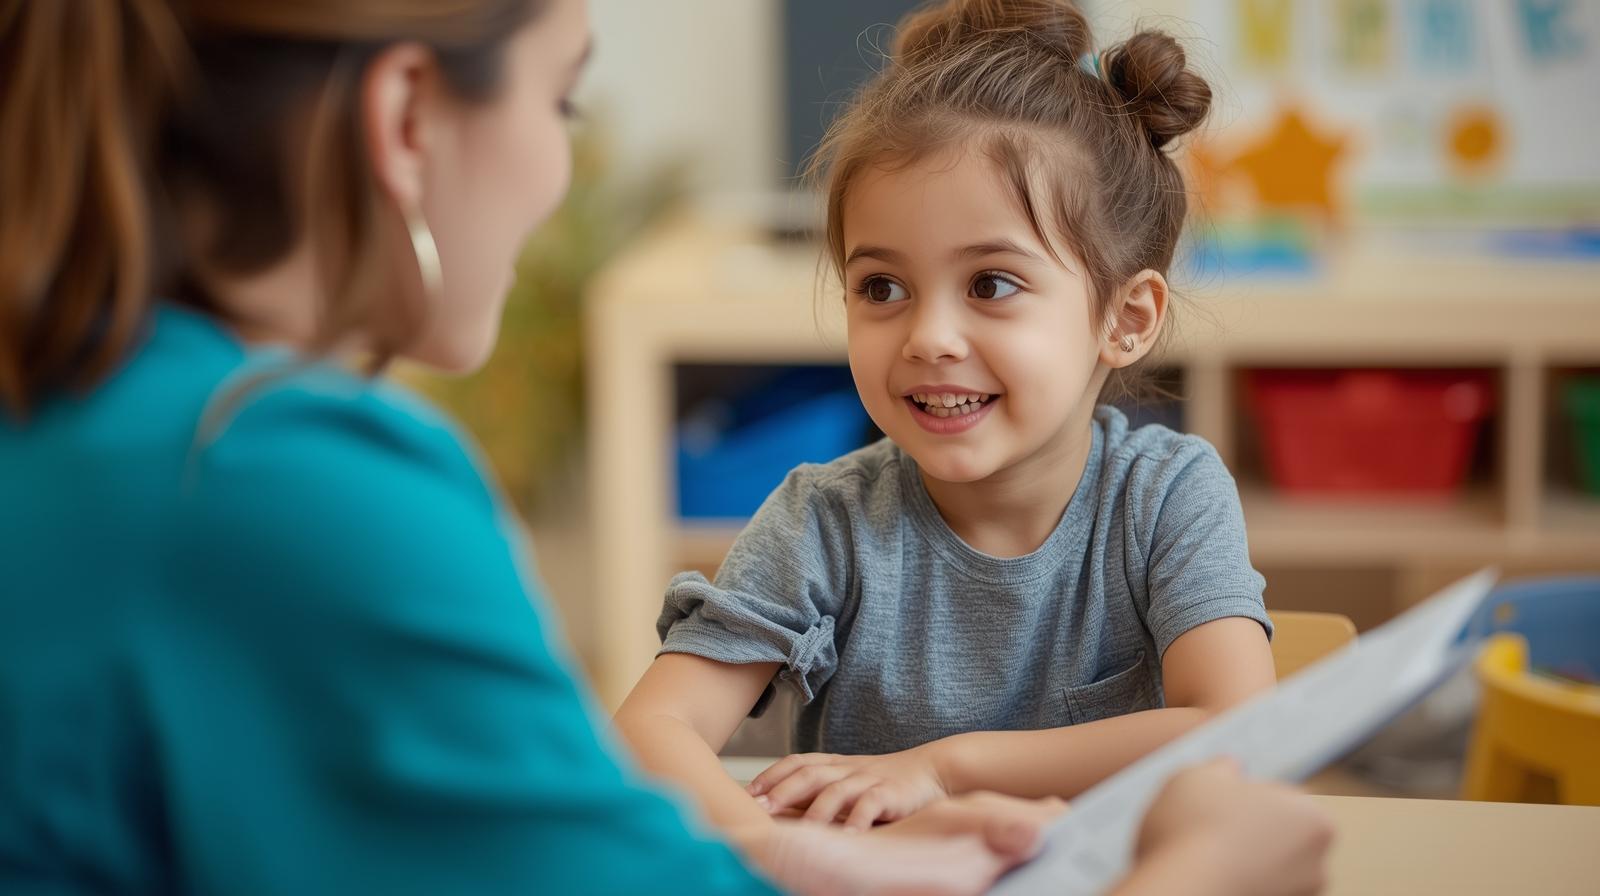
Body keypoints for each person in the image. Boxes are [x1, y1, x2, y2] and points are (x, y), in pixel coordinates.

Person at [0, 0, 1330, 893]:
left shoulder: (92, 423)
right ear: (409, 120)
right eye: (563, 103)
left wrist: (811, 850)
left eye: (991, 284)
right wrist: (1195, 876)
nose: (561, 174)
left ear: (1126, 318)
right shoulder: (286, 487)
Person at [617, 0, 1278, 833]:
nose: (928, 338)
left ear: (1126, 319)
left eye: (990, 284)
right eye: (881, 288)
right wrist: (784, 855)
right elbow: (650, 730)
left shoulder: (1167, 496)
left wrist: (944, 766)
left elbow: (1243, 730)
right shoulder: (822, 522)